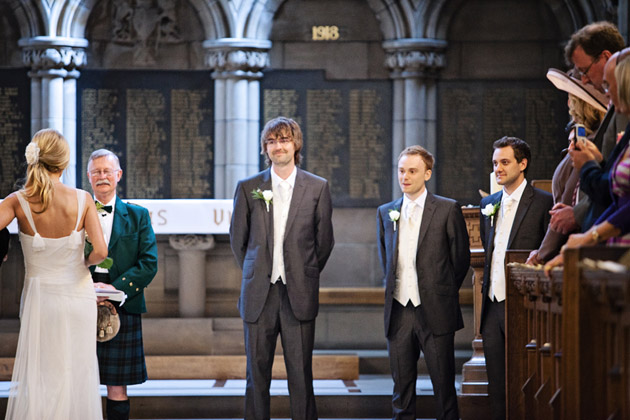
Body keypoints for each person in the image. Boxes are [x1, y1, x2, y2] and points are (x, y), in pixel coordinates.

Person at [229, 116, 334, 420]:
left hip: (298, 294)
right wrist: (256, 270)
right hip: (258, 295)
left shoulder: (317, 188)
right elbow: (239, 241)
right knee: (256, 376)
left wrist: (304, 272)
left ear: (296, 144)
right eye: (272, 141)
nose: (278, 146)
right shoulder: (249, 187)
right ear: (265, 148)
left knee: (300, 376)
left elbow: (323, 242)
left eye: (284, 139)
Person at [1, 129, 108, 420]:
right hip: (77, 294)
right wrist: (80, 262)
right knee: (77, 371)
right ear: (64, 162)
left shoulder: (17, 200)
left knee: (43, 374)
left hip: (41, 297)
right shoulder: (84, 199)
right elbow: (101, 251)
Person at [376, 145, 470, 420]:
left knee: (443, 387)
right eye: (401, 170)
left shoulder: (446, 209)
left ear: (427, 174)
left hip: (435, 310)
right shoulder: (386, 212)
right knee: (401, 389)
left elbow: (460, 259)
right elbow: (386, 259)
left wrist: (439, 291)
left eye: (412, 171)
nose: (405, 176)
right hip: (399, 310)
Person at [479, 137, 553, 420]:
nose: (498, 168)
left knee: (527, 379)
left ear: (523, 164)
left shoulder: (543, 201)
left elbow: (549, 250)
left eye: (505, 162)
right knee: (496, 385)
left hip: (524, 306)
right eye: (495, 163)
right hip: (492, 305)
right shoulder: (489, 203)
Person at [87, 149, 158, 420]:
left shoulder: (138, 215)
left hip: (122, 305)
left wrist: (113, 291)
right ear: (89, 177)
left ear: (118, 175)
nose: (102, 176)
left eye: (107, 171)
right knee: (79, 381)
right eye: (97, 171)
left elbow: (149, 263)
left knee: (117, 387)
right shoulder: (76, 213)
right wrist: (86, 290)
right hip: (81, 302)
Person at [545, 53, 630, 272]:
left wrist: (589, 235)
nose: (608, 95)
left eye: (609, 86)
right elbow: (617, 199)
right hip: (608, 246)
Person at [550, 21, 627, 236]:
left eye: (584, 70)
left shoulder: (622, 107)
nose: (583, 79)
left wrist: (580, 217)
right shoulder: (616, 105)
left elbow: (622, 190)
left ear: (605, 57)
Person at [527, 70, 607, 265]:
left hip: (581, 246)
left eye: (571, 98)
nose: (568, 104)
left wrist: (541, 254)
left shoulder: (589, 144)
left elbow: (568, 199)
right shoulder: (590, 139)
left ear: (579, 104)